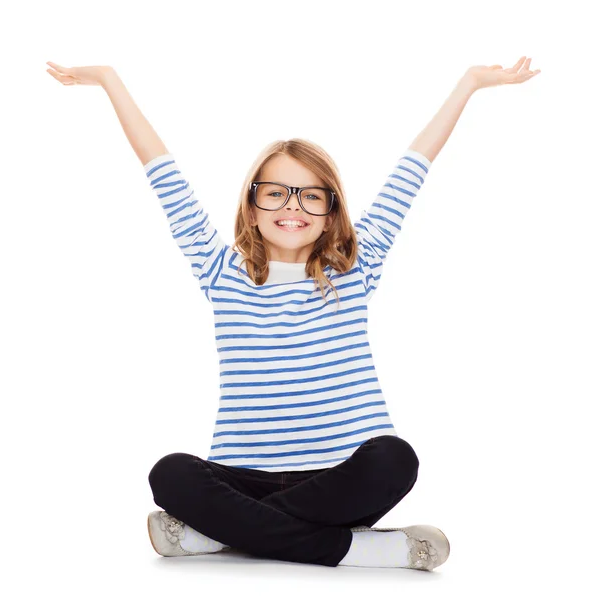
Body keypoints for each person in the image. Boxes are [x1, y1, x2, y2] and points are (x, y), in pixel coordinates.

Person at [46, 56, 539, 571]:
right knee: (169, 473)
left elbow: (410, 170)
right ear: (253, 207)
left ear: (331, 212)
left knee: (396, 458)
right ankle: (360, 551)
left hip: (342, 477)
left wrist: (471, 84)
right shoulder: (221, 271)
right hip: (242, 475)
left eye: (311, 196)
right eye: (276, 192)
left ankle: (220, 537)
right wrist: (110, 81)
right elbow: (162, 172)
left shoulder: (356, 265)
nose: (293, 206)